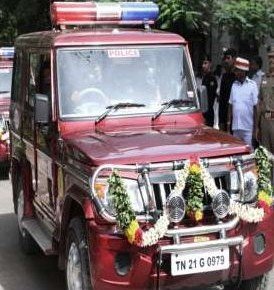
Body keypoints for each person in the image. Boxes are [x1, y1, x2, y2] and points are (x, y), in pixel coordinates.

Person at [227, 57, 259, 148]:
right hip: (236, 128)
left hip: (248, 128)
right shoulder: (234, 85)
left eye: (237, 70)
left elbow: (256, 108)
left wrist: (255, 129)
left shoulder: (252, 85)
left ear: (243, 71)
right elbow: (230, 105)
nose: (235, 72)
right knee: (236, 153)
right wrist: (228, 126)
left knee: (249, 154)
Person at [219, 48, 237, 131]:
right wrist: (221, 121)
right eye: (225, 58)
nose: (226, 61)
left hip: (238, 119)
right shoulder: (225, 77)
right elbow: (222, 101)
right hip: (226, 117)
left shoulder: (239, 77)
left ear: (234, 59)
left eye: (228, 58)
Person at [200, 55, 218, 127]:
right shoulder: (205, 78)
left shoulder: (212, 79)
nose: (203, 66)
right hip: (204, 112)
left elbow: (210, 98)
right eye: (203, 63)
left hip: (208, 112)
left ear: (210, 64)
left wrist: (205, 114)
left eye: (205, 63)